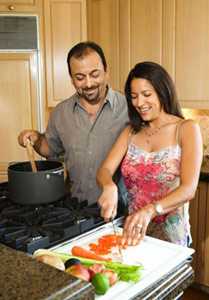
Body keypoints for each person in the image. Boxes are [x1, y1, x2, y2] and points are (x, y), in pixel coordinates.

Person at [97, 61, 203, 247]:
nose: (139, 103)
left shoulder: (186, 129)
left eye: (146, 95)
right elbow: (105, 169)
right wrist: (108, 185)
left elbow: (188, 189)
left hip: (171, 237)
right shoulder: (130, 132)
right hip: (134, 232)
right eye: (134, 96)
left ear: (163, 92)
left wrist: (151, 210)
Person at [18, 41, 128, 205]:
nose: (88, 83)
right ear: (71, 79)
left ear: (106, 71)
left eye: (95, 74)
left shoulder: (129, 108)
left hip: (119, 210)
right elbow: (50, 149)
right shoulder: (60, 113)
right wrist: (36, 138)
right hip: (76, 207)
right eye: (80, 77)